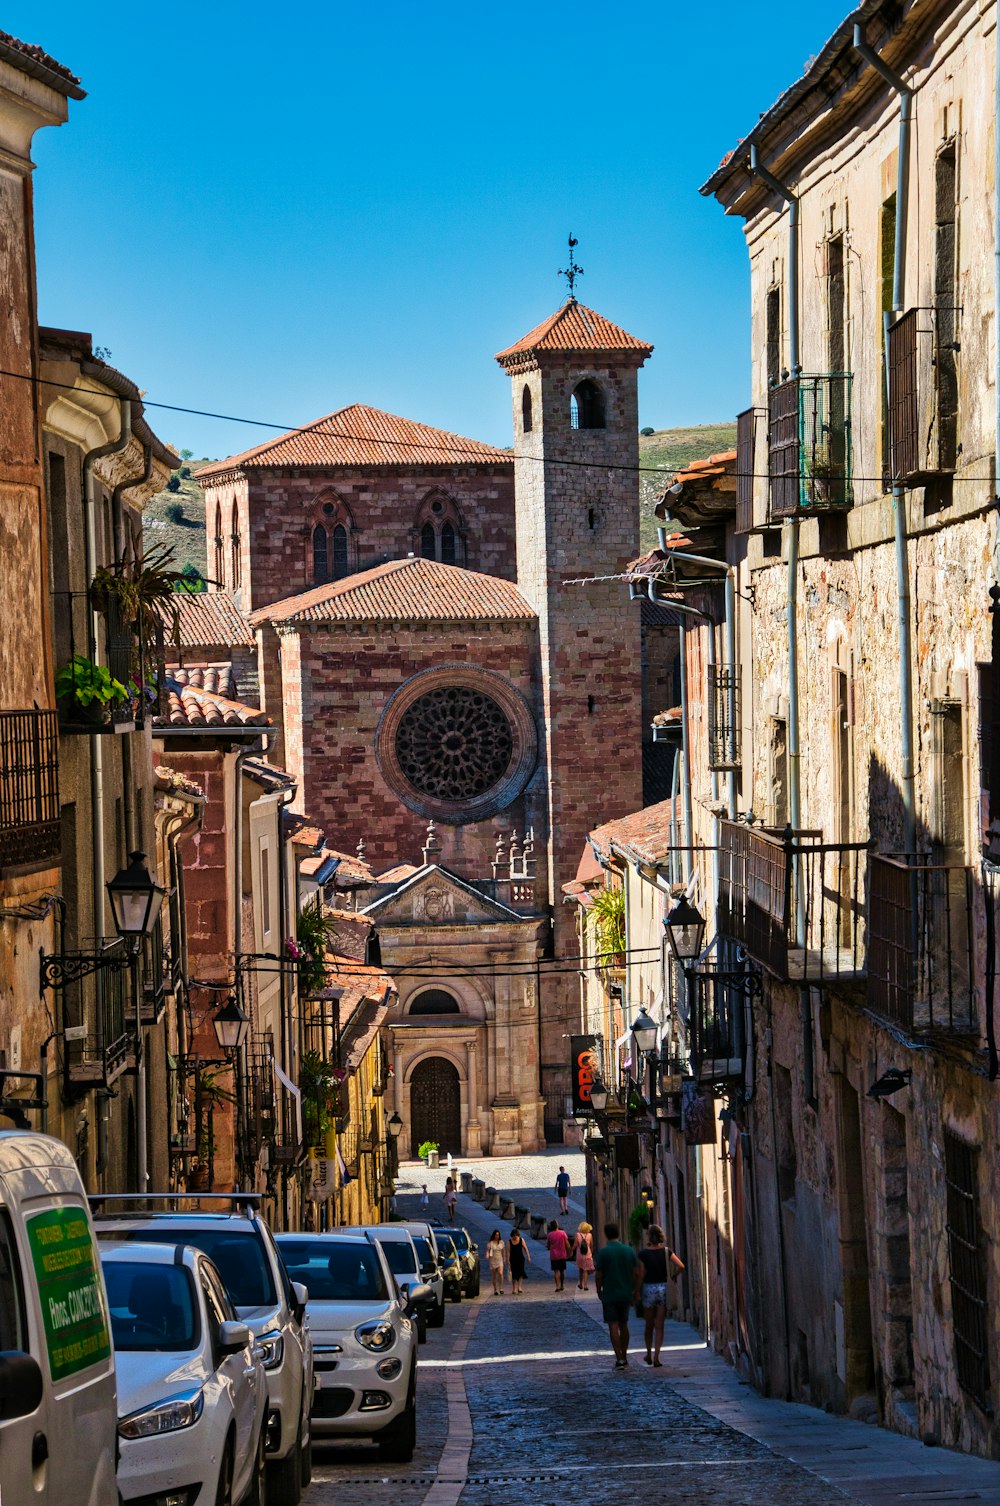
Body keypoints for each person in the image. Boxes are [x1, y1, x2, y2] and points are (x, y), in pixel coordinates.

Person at [634, 1223, 683, 1367]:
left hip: (649, 1289)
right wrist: (673, 1276)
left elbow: (641, 1273)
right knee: (659, 1326)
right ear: (661, 1236)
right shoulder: (667, 1251)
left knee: (648, 1325)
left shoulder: (643, 1254)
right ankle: (657, 1357)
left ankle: (648, 1354)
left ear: (649, 1236)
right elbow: (681, 1265)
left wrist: (637, 1290)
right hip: (663, 1288)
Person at [595, 1221, 639, 1369]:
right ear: (618, 1233)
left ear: (606, 1235)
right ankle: (625, 1355)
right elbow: (636, 1272)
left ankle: (619, 1358)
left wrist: (598, 1290)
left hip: (610, 1294)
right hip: (625, 1293)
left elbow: (599, 1275)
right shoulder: (628, 1250)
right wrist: (634, 1289)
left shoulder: (603, 1252)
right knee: (624, 1324)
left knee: (613, 1325)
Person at [546, 1219, 570, 1292]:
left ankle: (557, 1286)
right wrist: (569, 1252)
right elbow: (567, 1244)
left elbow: (548, 1245)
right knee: (562, 1271)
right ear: (557, 1225)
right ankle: (562, 1285)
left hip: (554, 1255)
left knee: (556, 1272)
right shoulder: (562, 1233)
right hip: (562, 1254)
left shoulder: (550, 1234)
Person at [572, 1221, 595, 1291]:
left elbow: (575, 1245)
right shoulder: (590, 1235)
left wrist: (571, 1251)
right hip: (588, 1254)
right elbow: (591, 1246)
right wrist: (591, 1253)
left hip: (580, 1254)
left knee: (580, 1270)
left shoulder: (577, 1235)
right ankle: (585, 1285)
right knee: (585, 1270)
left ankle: (580, 1284)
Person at [508, 1227, 531, 1293]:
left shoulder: (521, 1240)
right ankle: (514, 1288)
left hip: (520, 1259)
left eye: (516, 1236)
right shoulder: (509, 1242)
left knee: (521, 1273)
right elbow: (508, 1252)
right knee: (514, 1274)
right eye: (514, 1236)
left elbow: (525, 1248)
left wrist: (528, 1257)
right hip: (513, 1259)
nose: (515, 1237)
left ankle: (519, 1287)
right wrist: (508, 1260)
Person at [486, 1229, 506, 1295]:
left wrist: (504, 1258)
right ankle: (495, 1289)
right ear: (494, 1235)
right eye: (496, 1235)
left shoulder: (501, 1242)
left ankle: (501, 1288)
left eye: (498, 1235)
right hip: (493, 1260)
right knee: (494, 1276)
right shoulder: (490, 1243)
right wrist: (487, 1255)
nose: (497, 1236)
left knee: (500, 1273)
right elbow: (488, 1251)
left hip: (499, 1260)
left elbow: (503, 1251)